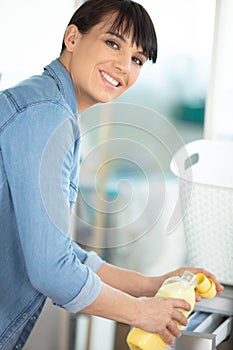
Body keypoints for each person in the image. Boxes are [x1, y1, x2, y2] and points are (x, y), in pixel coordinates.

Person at [0, 0, 224, 349]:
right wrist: (141, 312)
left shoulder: (49, 109)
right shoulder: (45, 115)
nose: (123, 66)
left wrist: (150, 286)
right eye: (113, 43)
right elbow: (51, 269)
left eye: (136, 59)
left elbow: (59, 251)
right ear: (72, 38)